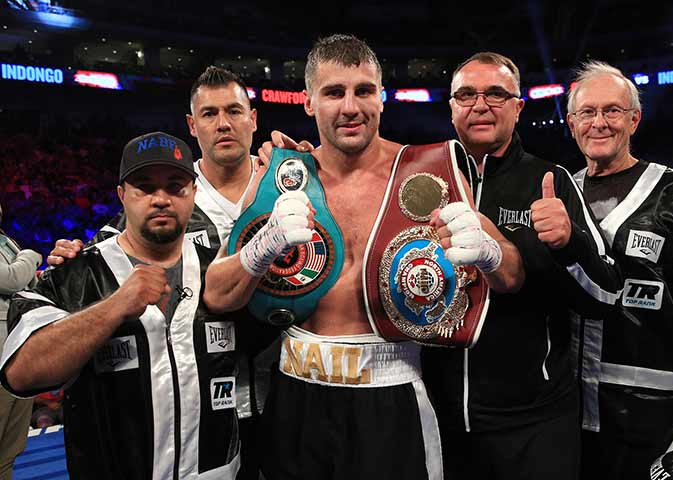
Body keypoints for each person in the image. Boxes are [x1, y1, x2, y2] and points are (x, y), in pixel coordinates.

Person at [203, 34, 526, 480]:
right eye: (334, 92)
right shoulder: (280, 178)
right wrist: (262, 246)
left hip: (393, 396)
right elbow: (218, 295)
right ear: (309, 103)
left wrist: (489, 251)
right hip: (297, 395)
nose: (351, 107)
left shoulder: (429, 171)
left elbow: (512, 275)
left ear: (382, 98)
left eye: (364, 90)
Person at [46, 66, 299, 479]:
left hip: (288, 392)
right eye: (209, 114)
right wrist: (71, 257)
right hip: (200, 412)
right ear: (191, 125)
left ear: (254, 118)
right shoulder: (170, 197)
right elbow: (110, 254)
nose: (223, 124)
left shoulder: (288, 186)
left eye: (235, 111)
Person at [420, 52, 622, 480]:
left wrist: (570, 246)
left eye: (496, 94)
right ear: (451, 106)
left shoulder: (550, 181)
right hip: (439, 416)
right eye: (466, 94)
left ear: (518, 106)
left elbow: (606, 295)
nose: (480, 105)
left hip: (535, 421)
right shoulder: (416, 181)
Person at [0, 132, 241, 479]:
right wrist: (115, 306)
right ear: (122, 195)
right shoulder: (74, 273)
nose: (161, 199)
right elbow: (21, 374)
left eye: (175, 186)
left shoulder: (222, 272)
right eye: (145, 187)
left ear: (194, 193)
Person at [565, 61, 673, 479]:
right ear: (571, 123)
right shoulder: (559, 196)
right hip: (569, 419)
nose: (599, 123)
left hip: (659, 420)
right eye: (588, 112)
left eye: (613, 111)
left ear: (634, 119)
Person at [0, 203, 42, 480]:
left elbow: (27, 285)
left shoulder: (6, 241)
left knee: (11, 447)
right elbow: (11, 279)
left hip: (19, 349)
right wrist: (30, 256)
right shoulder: (19, 248)